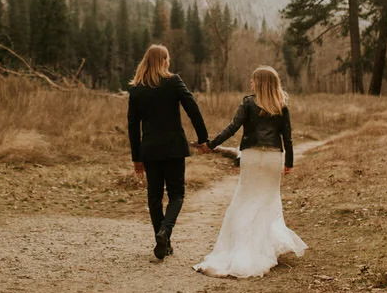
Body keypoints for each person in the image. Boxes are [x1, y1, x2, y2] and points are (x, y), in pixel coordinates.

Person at [193, 66, 307, 278]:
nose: (250, 83)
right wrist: (288, 162)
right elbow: (287, 138)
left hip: (252, 157)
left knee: (245, 200)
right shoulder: (281, 105)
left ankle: (243, 248)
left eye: (253, 80)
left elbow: (232, 127)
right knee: (268, 202)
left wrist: (211, 144)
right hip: (274, 157)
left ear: (261, 83)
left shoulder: (248, 103)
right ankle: (262, 248)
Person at [128, 44, 208, 260]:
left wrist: (136, 158)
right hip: (173, 148)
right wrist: (203, 138)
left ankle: (162, 240)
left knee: (154, 197)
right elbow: (193, 108)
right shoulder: (173, 82)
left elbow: (133, 127)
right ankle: (165, 232)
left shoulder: (136, 89)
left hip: (150, 150)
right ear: (164, 61)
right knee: (177, 195)